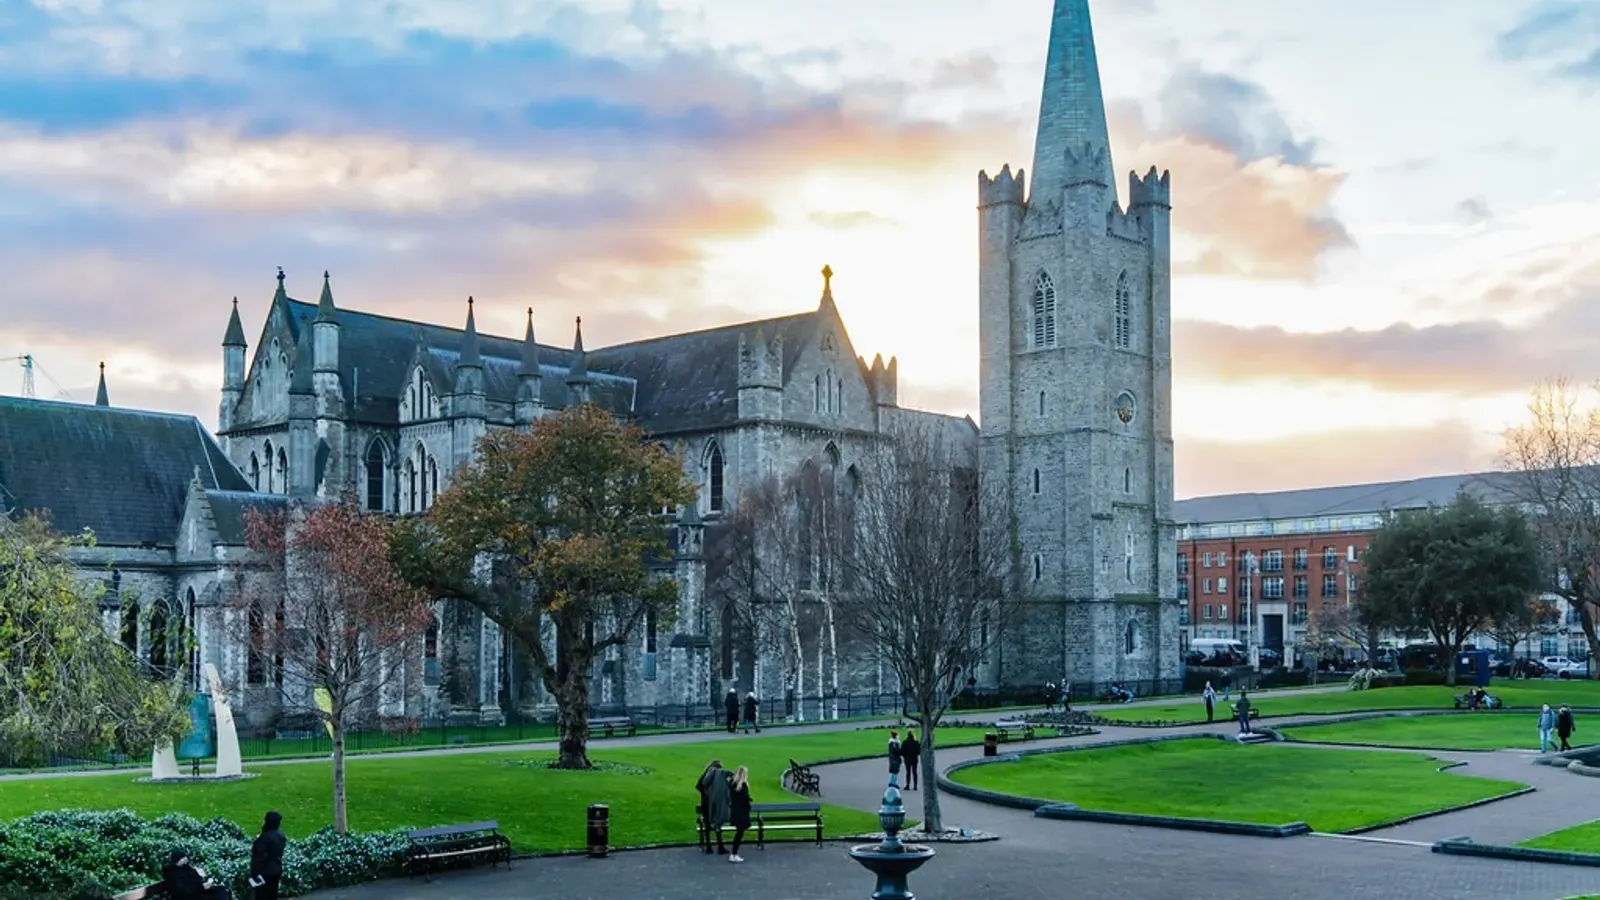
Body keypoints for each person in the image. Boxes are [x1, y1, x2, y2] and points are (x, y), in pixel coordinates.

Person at [162, 849, 230, 900]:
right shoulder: (172, 873)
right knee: (216, 895)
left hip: (196, 892)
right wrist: (203, 886)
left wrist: (200, 877)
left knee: (220, 889)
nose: (186, 860)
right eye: (183, 858)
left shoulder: (185, 868)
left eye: (185, 857)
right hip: (188, 897)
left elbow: (194, 880)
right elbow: (183, 890)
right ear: (177, 860)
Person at [248, 811, 286, 900]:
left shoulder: (264, 838)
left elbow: (259, 857)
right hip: (277, 869)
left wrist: (254, 874)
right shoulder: (281, 835)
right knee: (273, 895)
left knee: (262, 896)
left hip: (264, 873)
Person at [697, 759, 731, 854]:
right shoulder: (715, 775)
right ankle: (720, 846)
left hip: (705, 803)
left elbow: (699, 787)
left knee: (708, 825)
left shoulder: (705, 775)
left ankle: (709, 846)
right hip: (713, 803)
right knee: (717, 824)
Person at [727, 766, 752, 863]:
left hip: (735, 811)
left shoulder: (732, 784)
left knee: (739, 832)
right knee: (739, 833)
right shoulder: (743, 785)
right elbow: (744, 799)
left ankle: (734, 853)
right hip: (741, 812)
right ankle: (733, 854)